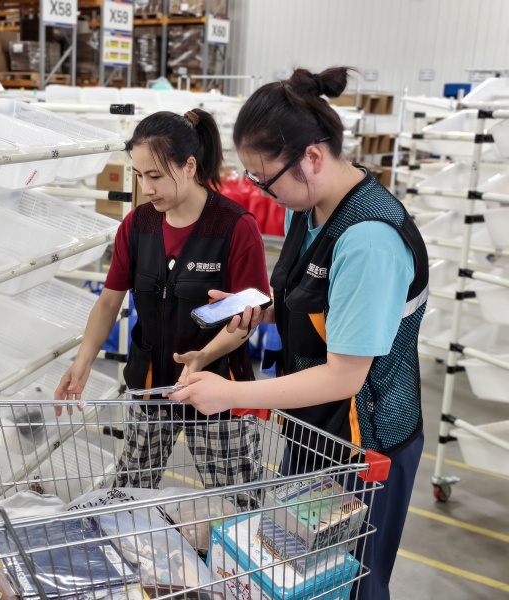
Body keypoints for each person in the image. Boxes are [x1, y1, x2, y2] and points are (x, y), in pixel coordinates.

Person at [169, 67, 429, 600]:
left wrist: (231, 394)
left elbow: (345, 376)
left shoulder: (369, 241)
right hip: (313, 431)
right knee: (295, 574)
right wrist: (260, 310)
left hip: (363, 448)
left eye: (265, 181)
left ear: (311, 157)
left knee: (347, 582)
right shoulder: (309, 210)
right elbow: (314, 302)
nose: (263, 194)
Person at [54, 108, 270, 496]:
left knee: (236, 502)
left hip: (217, 390)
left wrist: (203, 356)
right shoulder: (138, 226)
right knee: (130, 494)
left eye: (154, 176)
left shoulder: (234, 227)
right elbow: (108, 302)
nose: (146, 187)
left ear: (190, 166)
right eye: (138, 175)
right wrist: (83, 361)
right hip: (151, 389)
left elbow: (247, 316)